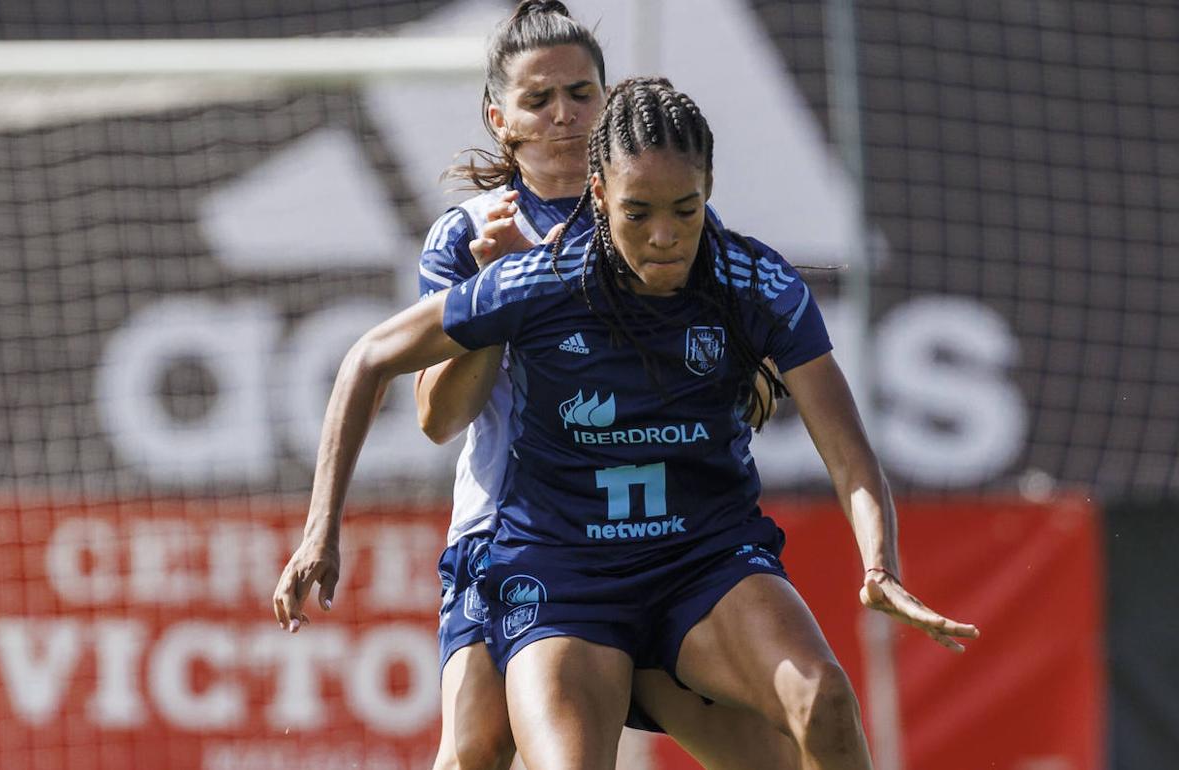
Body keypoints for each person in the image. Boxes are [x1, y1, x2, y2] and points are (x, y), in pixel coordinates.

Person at [274, 76, 979, 770]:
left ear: (709, 191)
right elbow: (368, 356)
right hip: (563, 575)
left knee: (824, 700)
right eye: (638, 212)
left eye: (686, 208)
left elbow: (849, 453)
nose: (666, 236)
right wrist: (320, 532)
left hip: (704, 566)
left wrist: (880, 564)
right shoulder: (539, 280)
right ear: (600, 195)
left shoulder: (755, 283)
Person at [422, 2, 791, 768]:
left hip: (665, 538)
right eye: (538, 99)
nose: (565, 114)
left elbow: (749, 391)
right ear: (502, 119)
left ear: (609, 97)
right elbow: (436, 415)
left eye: (582, 93)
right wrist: (501, 297)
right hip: (514, 534)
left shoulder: (657, 223)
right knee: (473, 749)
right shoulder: (468, 236)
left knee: (775, 754)